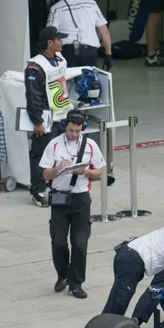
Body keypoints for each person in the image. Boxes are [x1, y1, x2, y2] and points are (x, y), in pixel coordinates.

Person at [39, 110, 105, 298]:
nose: (74, 134)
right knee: (58, 241)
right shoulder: (54, 145)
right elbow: (45, 174)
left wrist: (86, 173)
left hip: (80, 198)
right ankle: (63, 275)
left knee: (79, 242)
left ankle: (76, 283)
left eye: (77, 131)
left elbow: (99, 172)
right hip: (59, 198)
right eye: (71, 130)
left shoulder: (90, 145)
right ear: (65, 126)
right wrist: (58, 168)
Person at [25, 26, 72, 207]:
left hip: (60, 114)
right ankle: (37, 191)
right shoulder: (35, 66)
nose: (62, 41)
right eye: (58, 39)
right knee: (40, 154)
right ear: (49, 43)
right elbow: (33, 94)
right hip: (45, 118)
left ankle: (55, 187)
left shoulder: (60, 59)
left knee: (59, 153)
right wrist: (37, 121)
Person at [47, 0, 113, 70]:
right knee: (90, 83)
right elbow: (105, 32)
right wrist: (108, 55)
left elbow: (50, 35)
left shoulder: (56, 9)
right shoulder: (92, 4)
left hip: (67, 52)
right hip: (89, 52)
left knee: (68, 84)